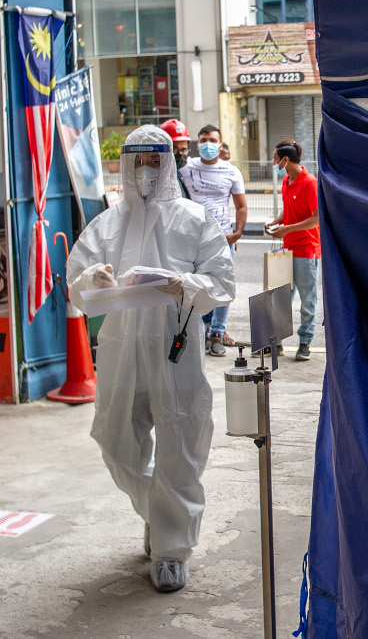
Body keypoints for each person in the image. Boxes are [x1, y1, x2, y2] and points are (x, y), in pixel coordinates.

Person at [66, 125, 235, 592]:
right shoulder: (107, 224)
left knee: (180, 445)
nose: (145, 169)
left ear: (167, 162)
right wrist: (92, 279)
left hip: (174, 348)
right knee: (115, 440)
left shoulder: (195, 219)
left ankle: (170, 549)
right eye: (137, 159)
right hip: (122, 350)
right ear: (126, 164)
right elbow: (76, 281)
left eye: (154, 159)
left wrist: (188, 285)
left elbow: (223, 280)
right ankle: (159, 513)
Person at [179, 124, 247, 356]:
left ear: (220, 144)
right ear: (197, 144)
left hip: (222, 240)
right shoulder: (185, 169)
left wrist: (237, 232)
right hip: (193, 241)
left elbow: (241, 206)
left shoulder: (231, 171)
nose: (208, 144)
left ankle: (217, 332)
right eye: (204, 139)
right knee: (197, 287)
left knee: (223, 286)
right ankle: (203, 328)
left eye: (212, 140)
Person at [266, 139, 320, 361]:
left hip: (306, 250)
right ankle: (276, 341)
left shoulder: (310, 183)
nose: (273, 162)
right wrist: (275, 222)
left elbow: (317, 218)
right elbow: (289, 211)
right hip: (286, 248)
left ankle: (305, 342)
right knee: (280, 299)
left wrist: (287, 228)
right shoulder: (287, 180)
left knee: (307, 301)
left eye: (275, 159)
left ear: (286, 160)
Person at [159, 118, 191, 199]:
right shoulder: (156, 178)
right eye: (175, 149)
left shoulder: (176, 174)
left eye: (183, 150)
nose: (180, 154)